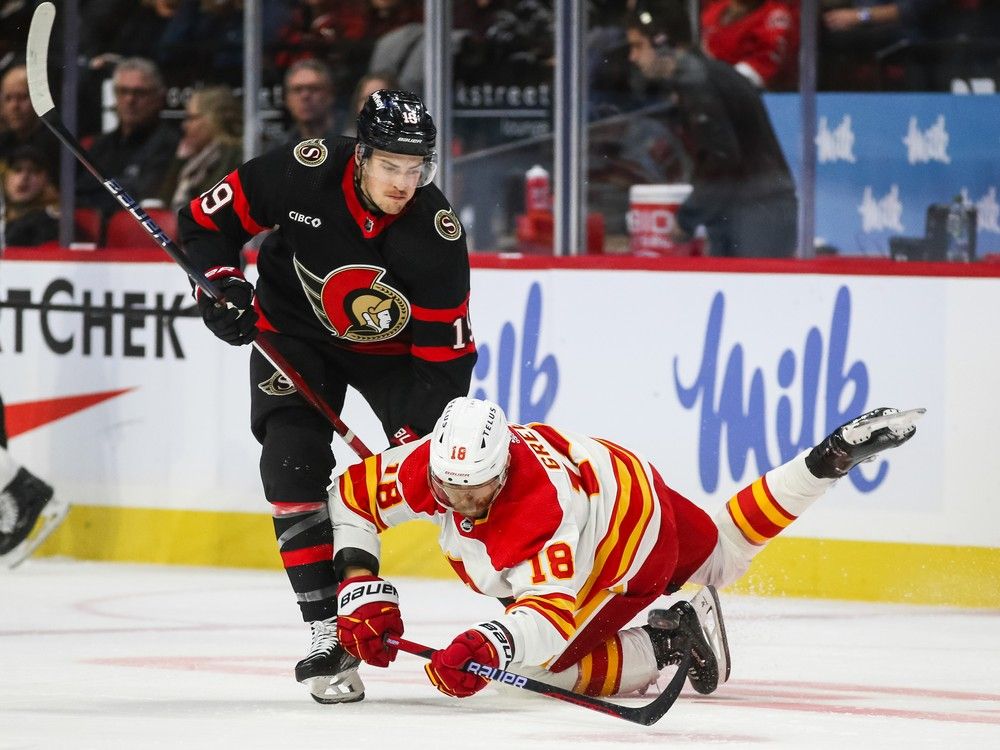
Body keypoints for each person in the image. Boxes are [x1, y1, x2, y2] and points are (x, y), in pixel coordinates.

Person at [177, 89, 477, 703]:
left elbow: (443, 365)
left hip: (395, 361)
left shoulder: (436, 237)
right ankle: (327, 632)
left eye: (416, 168)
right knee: (290, 463)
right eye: (391, 165)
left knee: (454, 472)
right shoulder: (302, 169)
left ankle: (540, 609)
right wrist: (221, 287)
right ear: (361, 155)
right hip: (294, 336)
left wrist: (407, 451)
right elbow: (203, 226)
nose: (404, 182)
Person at [328, 397, 922, 701]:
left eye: (475, 489)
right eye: (444, 488)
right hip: (630, 480)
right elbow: (350, 499)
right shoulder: (431, 462)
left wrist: (489, 644)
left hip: (626, 548)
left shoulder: (539, 512)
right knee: (723, 554)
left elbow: (549, 619)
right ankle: (827, 459)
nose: (458, 500)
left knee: (544, 670)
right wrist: (361, 589)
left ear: (505, 468)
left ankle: (669, 640)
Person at [626, 0, 798, 258]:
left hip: (758, 213)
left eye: (638, 46)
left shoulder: (698, 82)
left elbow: (722, 160)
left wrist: (686, 219)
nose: (633, 57)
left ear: (663, 42)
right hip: (748, 209)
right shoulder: (700, 76)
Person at [76, 57, 180, 217]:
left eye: (140, 93)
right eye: (123, 91)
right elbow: (77, 191)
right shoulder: (100, 145)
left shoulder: (171, 145)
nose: (130, 100)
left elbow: (141, 194)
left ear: (159, 97)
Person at [155, 86, 244, 212]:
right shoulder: (192, 157)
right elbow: (163, 205)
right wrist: (179, 162)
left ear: (214, 119)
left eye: (191, 118)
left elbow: (211, 208)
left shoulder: (234, 157)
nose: (184, 125)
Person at [700, 0, 800, 90]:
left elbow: (762, 66)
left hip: (761, 97)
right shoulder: (713, 11)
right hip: (710, 92)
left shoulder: (776, 17)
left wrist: (716, 83)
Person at [0, 64, 62, 182]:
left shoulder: (56, 144)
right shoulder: (3, 142)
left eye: (22, 97)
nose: (14, 106)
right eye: (8, 98)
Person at [1, 145, 59, 247]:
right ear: (5, 178)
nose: (24, 177)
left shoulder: (49, 223)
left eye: (34, 171)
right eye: (17, 170)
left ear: (47, 181)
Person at [280, 59, 340, 146]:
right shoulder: (280, 147)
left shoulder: (350, 142)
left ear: (330, 94)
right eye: (297, 90)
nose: (305, 96)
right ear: (287, 99)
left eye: (314, 89)